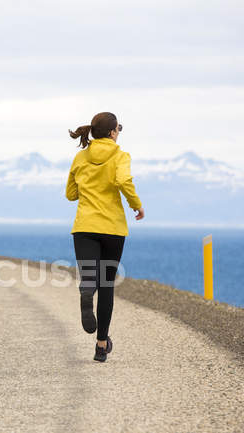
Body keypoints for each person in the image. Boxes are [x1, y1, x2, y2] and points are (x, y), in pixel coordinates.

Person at [66, 112, 144, 362]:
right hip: (112, 229)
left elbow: (70, 194)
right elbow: (123, 180)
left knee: (90, 277)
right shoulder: (120, 156)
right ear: (112, 133)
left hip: (85, 227)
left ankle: (87, 289)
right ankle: (101, 346)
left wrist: (89, 187)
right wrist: (136, 205)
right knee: (108, 284)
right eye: (118, 128)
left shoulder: (80, 157)